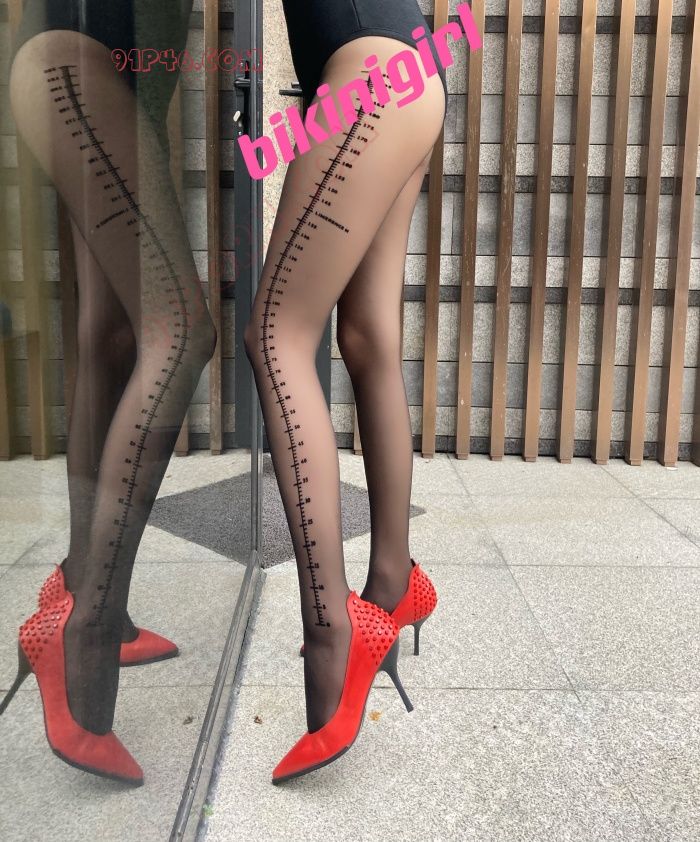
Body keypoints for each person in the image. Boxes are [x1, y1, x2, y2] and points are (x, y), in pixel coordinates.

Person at [0, 0, 214, 786]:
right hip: (76, 64)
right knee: (181, 332)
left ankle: (92, 603)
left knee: (111, 336)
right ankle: (81, 634)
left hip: (101, 79)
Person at [243, 0, 443, 783]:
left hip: (370, 74)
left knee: (276, 334)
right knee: (367, 340)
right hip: (409, 67)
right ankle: (394, 584)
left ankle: (334, 635)